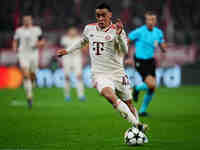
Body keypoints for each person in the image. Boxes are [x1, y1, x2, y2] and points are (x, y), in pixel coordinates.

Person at [57, 3, 148, 132]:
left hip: (118, 73)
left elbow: (124, 50)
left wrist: (119, 35)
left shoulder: (117, 30)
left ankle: (137, 127)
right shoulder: (89, 29)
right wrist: (68, 51)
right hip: (100, 74)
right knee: (110, 96)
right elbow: (82, 42)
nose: (100, 18)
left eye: (103, 15)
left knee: (129, 104)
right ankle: (138, 125)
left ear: (110, 15)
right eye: (98, 15)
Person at [128, 11, 167, 116]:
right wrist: (127, 56)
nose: (151, 21)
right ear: (146, 20)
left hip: (150, 61)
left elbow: (163, 45)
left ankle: (142, 110)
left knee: (152, 88)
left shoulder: (158, 32)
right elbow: (127, 40)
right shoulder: (139, 31)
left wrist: (163, 47)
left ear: (156, 21)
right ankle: (136, 89)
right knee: (152, 84)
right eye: (149, 19)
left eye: (153, 19)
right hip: (140, 61)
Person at [12, 15, 44, 108]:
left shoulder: (37, 29)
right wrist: (14, 47)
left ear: (31, 21)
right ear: (23, 21)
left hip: (33, 54)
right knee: (26, 75)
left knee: (32, 74)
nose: (27, 21)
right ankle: (29, 97)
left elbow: (42, 41)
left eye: (28, 20)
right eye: (25, 20)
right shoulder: (19, 30)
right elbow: (15, 40)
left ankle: (32, 83)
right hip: (23, 53)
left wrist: (38, 44)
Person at [60, 26, 86, 101]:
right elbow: (63, 48)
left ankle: (81, 95)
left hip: (77, 58)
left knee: (79, 76)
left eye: (74, 31)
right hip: (67, 59)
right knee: (67, 77)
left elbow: (84, 48)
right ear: (68, 32)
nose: (72, 32)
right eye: (71, 31)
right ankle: (67, 95)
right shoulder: (65, 39)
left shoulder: (79, 39)